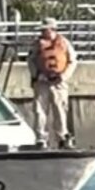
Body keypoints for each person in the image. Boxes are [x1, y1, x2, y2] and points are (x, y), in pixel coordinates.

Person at [27, 17, 77, 149]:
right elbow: (31, 61)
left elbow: (72, 61)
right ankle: (41, 139)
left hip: (59, 83)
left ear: (53, 29)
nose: (43, 32)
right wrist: (37, 75)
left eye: (46, 29)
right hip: (42, 82)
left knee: (60, 109)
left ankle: (62, 137)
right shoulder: (37, 44)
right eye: (42, 30)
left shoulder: (64, 43)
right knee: (39, 110)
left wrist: (64, 76)